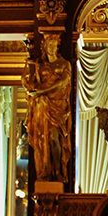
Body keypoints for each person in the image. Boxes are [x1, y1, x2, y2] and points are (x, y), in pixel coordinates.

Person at [22, 33, 72, 182]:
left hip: (58, 106)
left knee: (55, 138)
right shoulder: (40, 66)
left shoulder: (64, 64)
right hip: (43, 106)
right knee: (42, 139)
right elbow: (30, 83)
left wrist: (41, 91)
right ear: (44, 47)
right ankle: (46, 171)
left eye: (53, 45)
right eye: (48, 46)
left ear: (57, 47)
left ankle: (58, 170)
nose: (51, 48)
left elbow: (62, 83)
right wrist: (31, 88)